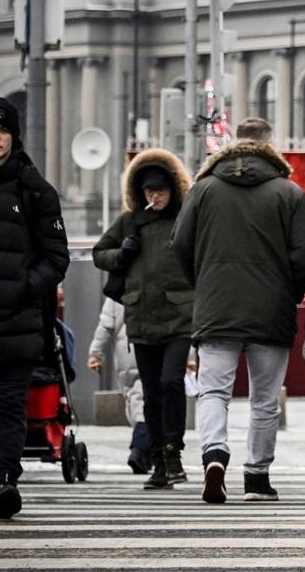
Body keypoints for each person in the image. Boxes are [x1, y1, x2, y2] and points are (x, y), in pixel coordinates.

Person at [172, 117, 305, 504]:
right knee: (265, 398)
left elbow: (179, 245)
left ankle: (215, 455)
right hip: (270, 308)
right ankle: (256, 477)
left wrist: (202, 283)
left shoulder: (203, 190)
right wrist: (287, 289)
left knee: (213, 392)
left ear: (233, 144)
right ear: (270, 145)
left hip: (215, 305)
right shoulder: (289, 193)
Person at [0, 98, 69, 519]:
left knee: (8, 404)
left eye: (3, 131)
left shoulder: (35, 189)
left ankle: (6, 478)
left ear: (14, 136)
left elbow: (56, 257)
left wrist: (25, 287)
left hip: (17, 322)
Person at [93, 147, 194, 490]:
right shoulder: (129, 222)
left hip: (180, 317)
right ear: (140, 192)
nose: (156, 197)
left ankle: (173, 451)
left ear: (173, 190)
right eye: (150, 191)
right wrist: (123, 253)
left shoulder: (184, 220)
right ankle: (158, 461)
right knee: (151, 391)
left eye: (161, 190)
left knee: (170, 382)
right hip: (141, 318)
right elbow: (99, 254)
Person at [86, 297, 148, 476]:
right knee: (143, 401)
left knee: (134, 399)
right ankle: (141, 448)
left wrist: (95, 354)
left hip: (126, 352)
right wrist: (190, 358)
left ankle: (143, 446)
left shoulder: (116, 290)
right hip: (149, 345)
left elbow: (105, 326)